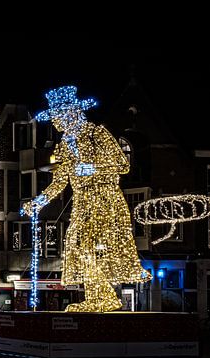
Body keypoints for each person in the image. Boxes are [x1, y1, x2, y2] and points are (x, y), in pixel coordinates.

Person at [24, 86, 149, 312]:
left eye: (59, 117)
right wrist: (38, 202)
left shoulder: (96, 134)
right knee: (78, 247)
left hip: (105, 199)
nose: (56, 123)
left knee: (94, 249)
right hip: (83, 202)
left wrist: (93, 168)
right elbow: (60, 181)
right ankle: (98, 297)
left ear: (72, 114)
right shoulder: (64, 145)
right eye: (54, 118)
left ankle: (103, 298)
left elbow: (122, 164)